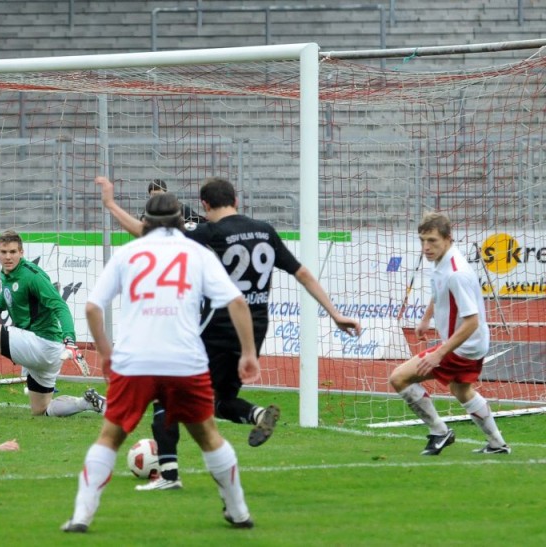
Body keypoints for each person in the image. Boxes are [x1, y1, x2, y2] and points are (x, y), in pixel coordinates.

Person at [97, 175, 362, 490]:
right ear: (236, 201)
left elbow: (146, 233)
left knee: (165, 390)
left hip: (218, 324)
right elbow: (302, 273)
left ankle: (168, 475)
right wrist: (334, 313)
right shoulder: (265, 230)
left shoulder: (210, 231)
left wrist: (111, 204)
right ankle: (257, 414)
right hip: (255, 327)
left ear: (205, 206)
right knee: (220, 399)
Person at [62, 191, 259, 533]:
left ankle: (81, 516)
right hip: (185, 360)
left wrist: (107, 355)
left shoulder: (129, 253)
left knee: (110, 437)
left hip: (135, 360)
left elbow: (92, 308)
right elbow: (237, 303)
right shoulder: (197, 253)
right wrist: (248, 353)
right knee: (208, 435)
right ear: (181, 222)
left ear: (145, 222)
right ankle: (239, 511)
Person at [389, 212, 510, 455]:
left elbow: (472, 321)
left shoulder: (457, 273)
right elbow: (438, 290)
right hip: (471, 345)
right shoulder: (443, 262)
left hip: (463, 346)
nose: (426, 247)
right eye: (422, 240)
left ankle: (439, 432)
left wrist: (439, 354)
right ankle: (497, 444)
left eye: (432, 240)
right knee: (461, 390)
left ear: (448, 238)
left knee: (399, 378)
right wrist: (425, 319)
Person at [0, 229, 105, 418]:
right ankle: (84, 403)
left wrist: (70, 341)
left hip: (40, 343)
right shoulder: (9, 272)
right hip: (49, 352)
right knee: (41, 410)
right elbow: (9, 293)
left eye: (13, 252)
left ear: (22, 252)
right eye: (4, 252)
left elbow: (60, 306)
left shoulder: (33, 275)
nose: (8, 257)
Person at [140, 179, 205, 225]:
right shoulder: (147, 212)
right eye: (154, 195)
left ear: (166, 193)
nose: (158, 198)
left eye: (160, 195)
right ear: (149, 196)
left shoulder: (180, 208)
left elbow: (200, 221)